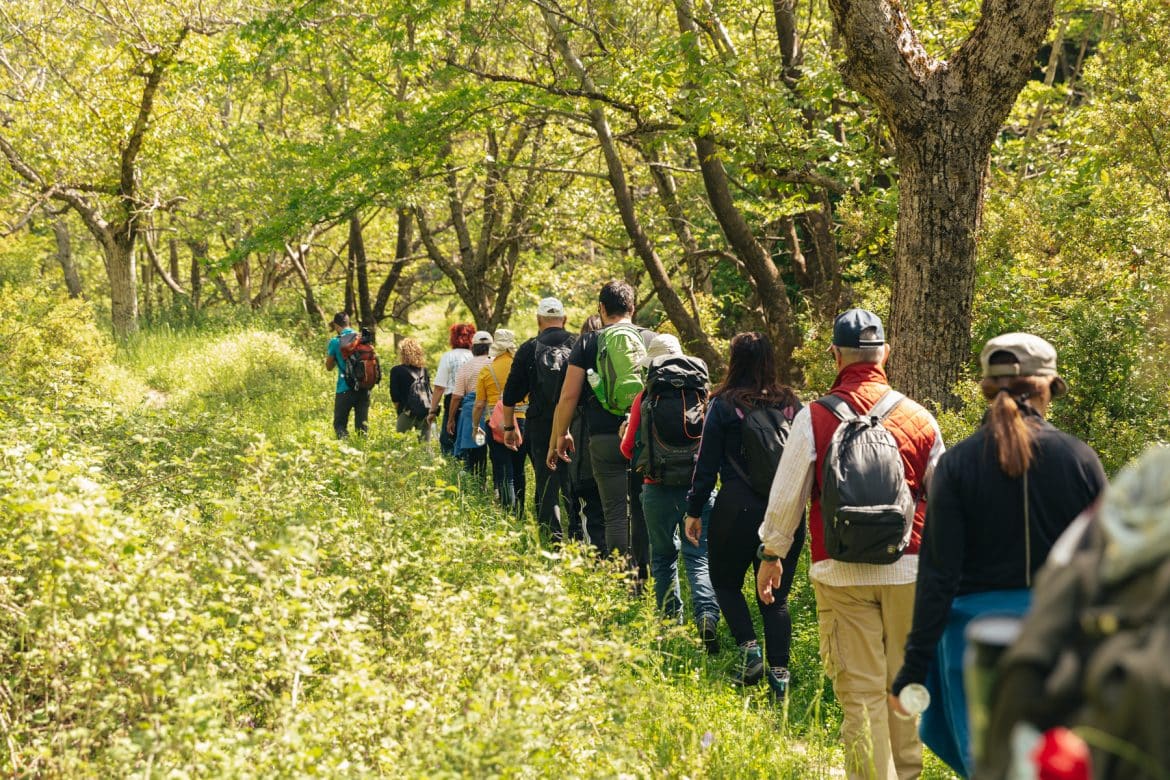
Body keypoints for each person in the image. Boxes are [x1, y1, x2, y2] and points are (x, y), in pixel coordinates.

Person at [889, 333, 1106, 778]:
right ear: (1047, 387)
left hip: (971, 641)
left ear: (987, 387)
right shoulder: (1080, 460)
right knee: (1054, 764)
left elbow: (938, 575)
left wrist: (913, 666)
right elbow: (1105, 568)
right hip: (1057, 638)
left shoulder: (958, 465)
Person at [757, 309, 945, 780]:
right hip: (909, 569)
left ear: (835, 355)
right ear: (885, 353)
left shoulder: (814, 417)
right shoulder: (919, 418)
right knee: (904, 686)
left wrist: (771, 553)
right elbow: (947, 502)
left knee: (861, 695)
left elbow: (787, 496)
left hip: (839, 572)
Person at [684, 332, 804, 688]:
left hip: (736, 507)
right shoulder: (792, 404)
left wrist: (694, 510)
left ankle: (750, 654)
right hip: (784, 513)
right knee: (775, 597)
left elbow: (705, 464)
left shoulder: (723, 404)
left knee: (724, 582)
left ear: (735, 361)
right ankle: (780, 676)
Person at [621, 334, 719, 649]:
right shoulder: (704, 394)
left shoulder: (645, 396)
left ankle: (668, 626)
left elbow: (627, 451)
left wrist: (626, 434)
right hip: (698, 489)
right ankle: (706, 615)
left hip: (657, 487)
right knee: (699, 556)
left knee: (663, 557)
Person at [547, 280, 655, 562]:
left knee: (615, 512)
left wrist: (562, 434)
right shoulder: (650, 339)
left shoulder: (587, 341)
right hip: (644, 435)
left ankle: (620, 578)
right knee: (643, 510)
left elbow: (568, 396)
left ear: (601, 308)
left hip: (604, 437)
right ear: (633, 307)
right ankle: (643, 578)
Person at [500, 297, 577, 541]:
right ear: (564, 319)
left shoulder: (528, 348)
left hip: (540, 424)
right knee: (573, 482)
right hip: (574, 424)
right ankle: (579, 538)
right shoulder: (579, 344)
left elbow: (511, 394)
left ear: (538, 320)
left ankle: (552, 543)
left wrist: (510, 426)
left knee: (546, 483)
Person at [566, 315, 607, 555]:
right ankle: (621, 564)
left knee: (587, 505)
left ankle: (594, 560)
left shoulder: (578, 357)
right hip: (618, 441)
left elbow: (567, 399)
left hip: (583, 442)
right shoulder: (616, 358)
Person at [474, 329, 526, 513]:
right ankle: (520, 513)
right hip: (522, 422)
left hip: (496, 425)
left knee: (504, 470)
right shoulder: (522, 367)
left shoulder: (487, 371)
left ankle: (508, 514)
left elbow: (480, 404)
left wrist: (475, 427)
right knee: (519, 469)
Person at [449, 330, 493, 481]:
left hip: (472, 413)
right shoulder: (495, 362)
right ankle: (499, 488)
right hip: (494, 411)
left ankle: (478, 484)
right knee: (496, 451)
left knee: (477, 450)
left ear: (473, 348)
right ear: (491, 346)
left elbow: (456, 397)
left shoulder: (466, 367)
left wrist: (451, 419)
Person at [427, 323, 475, 456]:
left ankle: (450, 469)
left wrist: (432, 410)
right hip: (473, 401)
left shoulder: (448, 357)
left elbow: (439, 387)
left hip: (453, 400)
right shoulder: (476, 357)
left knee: (448, 438)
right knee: (468, 438)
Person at [325, 312, 370, 438]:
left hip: (344, 388)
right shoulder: (362, 338)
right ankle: (362, 455)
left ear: (335, 325)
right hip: (363, 387)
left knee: (339, 425)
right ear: (349, 323)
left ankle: (345, 451)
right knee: (362, 428)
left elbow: (328, 367)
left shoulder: (335, 342)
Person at [389, 337, 432, 441]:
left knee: (400, 446)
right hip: (424, 413)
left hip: (406, 412)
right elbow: (429, 391)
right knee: (425, 447)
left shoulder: (396, 370)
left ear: (402, 353)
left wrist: (400, 411)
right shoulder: (424, 370)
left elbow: (395, 395)